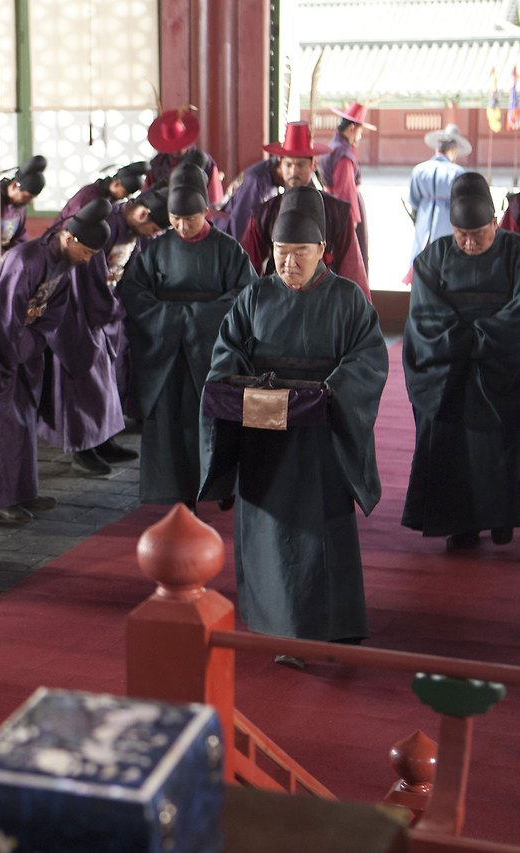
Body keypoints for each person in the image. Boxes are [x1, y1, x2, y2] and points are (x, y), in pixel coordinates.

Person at [201, 186, 387, 662]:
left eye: (299, 253)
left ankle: (336, 623)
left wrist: (328, 394)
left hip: (320, 437)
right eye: (281, 253)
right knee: (269, 531)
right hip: (264, 436)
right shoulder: (255, 295)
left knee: (319, 533)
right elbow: (227, 354)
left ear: (322, 250)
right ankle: (282, 627)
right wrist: (241, 386)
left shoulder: (347, 299)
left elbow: (367, 362)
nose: (288, 263)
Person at [0, 200, 111, 522]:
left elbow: (52, 313)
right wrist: (11, 354)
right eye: (86, 252)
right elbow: (2, 316)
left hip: (19, 340)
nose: (87, 260)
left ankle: (20, 490)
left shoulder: (63, 262)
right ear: (70, 238)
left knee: (22, 414)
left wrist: (30, 342)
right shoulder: (27, 260)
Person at [402, 172, 520, 550]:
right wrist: (473, 342)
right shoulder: (433, 259)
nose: (470, 242)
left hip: (505, 369)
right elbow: (426, 320)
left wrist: (472, 341)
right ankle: (460, 525)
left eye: (478, 234)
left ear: (495, 222)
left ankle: (502, 516)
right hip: (450, 373)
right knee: (452, 444)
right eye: (461, 234)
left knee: (507, 435)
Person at [119, 164, 254, 509]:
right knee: (169, 424)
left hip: (211, 352)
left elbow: (245, 296)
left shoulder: (228, 249)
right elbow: (133, 291)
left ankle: (221, 486)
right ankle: (175, 491)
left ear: (206, 212)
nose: (182, 226)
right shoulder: (155, 248)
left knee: (216, 419)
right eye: (175, 219)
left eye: (189, 219)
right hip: (165, 352)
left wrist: (192, 317)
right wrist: (175, 318)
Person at [41, 187, 170, 474]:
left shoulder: (132, 232)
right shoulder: (104, 227)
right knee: (84, 381)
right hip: (80, 312)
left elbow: (129, 273)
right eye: (153, 228)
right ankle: (82, 447)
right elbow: (86, 276)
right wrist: (112, 310)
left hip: (107, 311)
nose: (152, 235)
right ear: (142, 213)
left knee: (106, 380)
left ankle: (103, 440)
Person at [240, 121, 369, 298]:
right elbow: (246, 266)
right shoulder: (265, 212)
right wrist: (249, 304)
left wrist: (358, 306)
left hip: (328, 298)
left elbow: (352, 267)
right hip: (278, 298)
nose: (294, 171)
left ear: (312, 165)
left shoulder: (336, 211)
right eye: (288, 165)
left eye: (300, 165)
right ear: (280, 166)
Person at [319, 102, 375, 273]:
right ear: (352, 128)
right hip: (344, 209)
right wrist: (351, 221)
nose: (360, 136)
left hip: (329, 205)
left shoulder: (333, 146)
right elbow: (346, 190)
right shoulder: (343, 154)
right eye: (360, 131)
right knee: (350, 258)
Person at [408, 125, 469, 260]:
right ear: (453, 150)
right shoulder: (457, 172)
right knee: (445, 257)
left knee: (421, 259)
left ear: (437, 149)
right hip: (447, 224)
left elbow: (414, 202)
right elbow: (463, 204)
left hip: (423, 221)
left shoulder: (419, 170)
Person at [145, 108, 224, 205]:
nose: (176, 150)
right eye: (171, 146)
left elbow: (214, 200)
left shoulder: (204, 162)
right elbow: (146, 198)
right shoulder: (157, 164)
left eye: (179, 145)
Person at [218, 155, 281, 243]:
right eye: (289, 164)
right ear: (281, 164)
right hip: (229, 237)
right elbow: (240, 224)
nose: (294, 172)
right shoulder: (256, 181)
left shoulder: (275, 178)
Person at [0, 155, 47, 250]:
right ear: (14, 186)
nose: (29, 202)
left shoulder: (20, 207)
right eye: (27, 197)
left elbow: (20, 236)